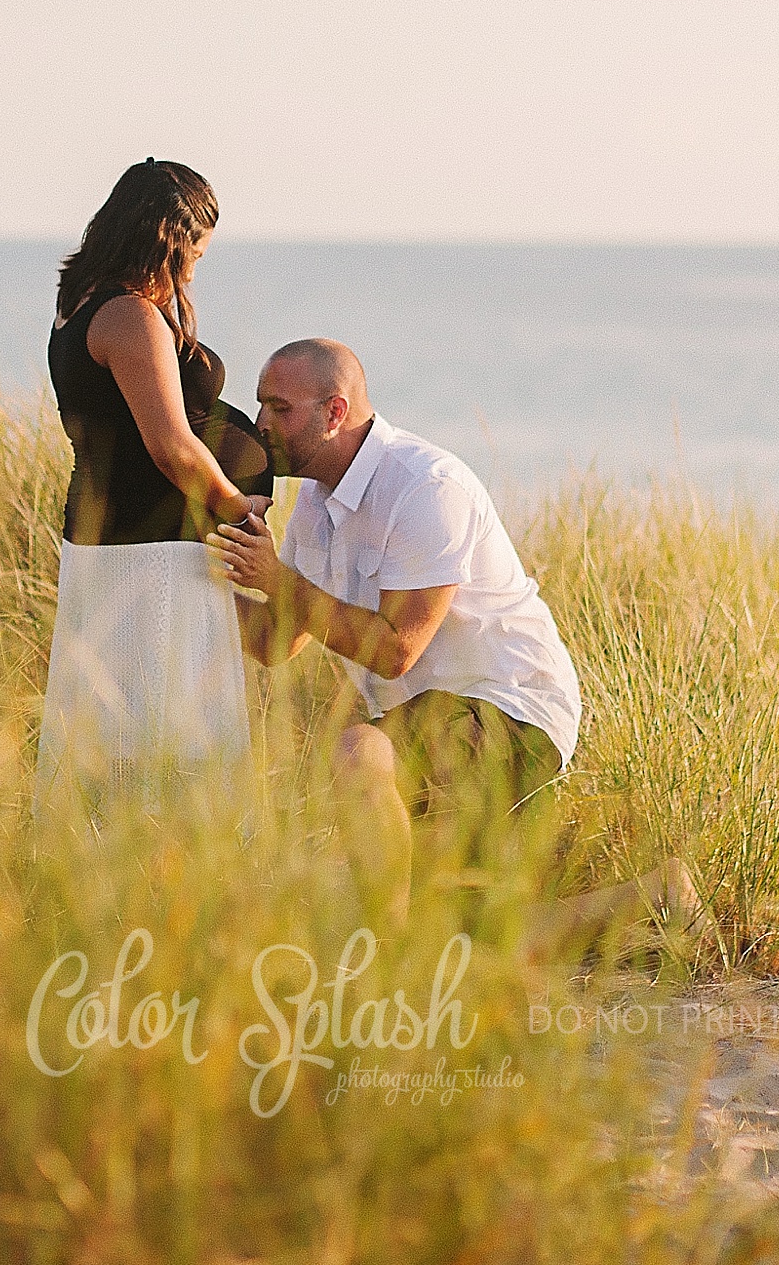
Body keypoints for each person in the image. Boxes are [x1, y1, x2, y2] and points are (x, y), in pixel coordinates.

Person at [214, 339, 700, 941]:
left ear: (334, 412)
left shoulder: (425, 485)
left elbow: (395, 651)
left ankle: (382, 960)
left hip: (510, 711)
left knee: (357, 752)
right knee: (461, 935)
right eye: (261, 405)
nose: (260, 423)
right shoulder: (315, 504)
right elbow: (274, 641)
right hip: (422, 726)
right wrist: (192, 581)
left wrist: (282, 582)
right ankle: (657, 895)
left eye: (278, 407)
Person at [37, 158, 272, 813]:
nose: (196, 266)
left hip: (111, 547)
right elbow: (170, 445)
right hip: (151, 555)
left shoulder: (78, 308)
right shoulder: (129, 317)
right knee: (165, 731)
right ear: (167, 236)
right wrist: (238, 512)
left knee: (119, 727)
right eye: (195, 247)